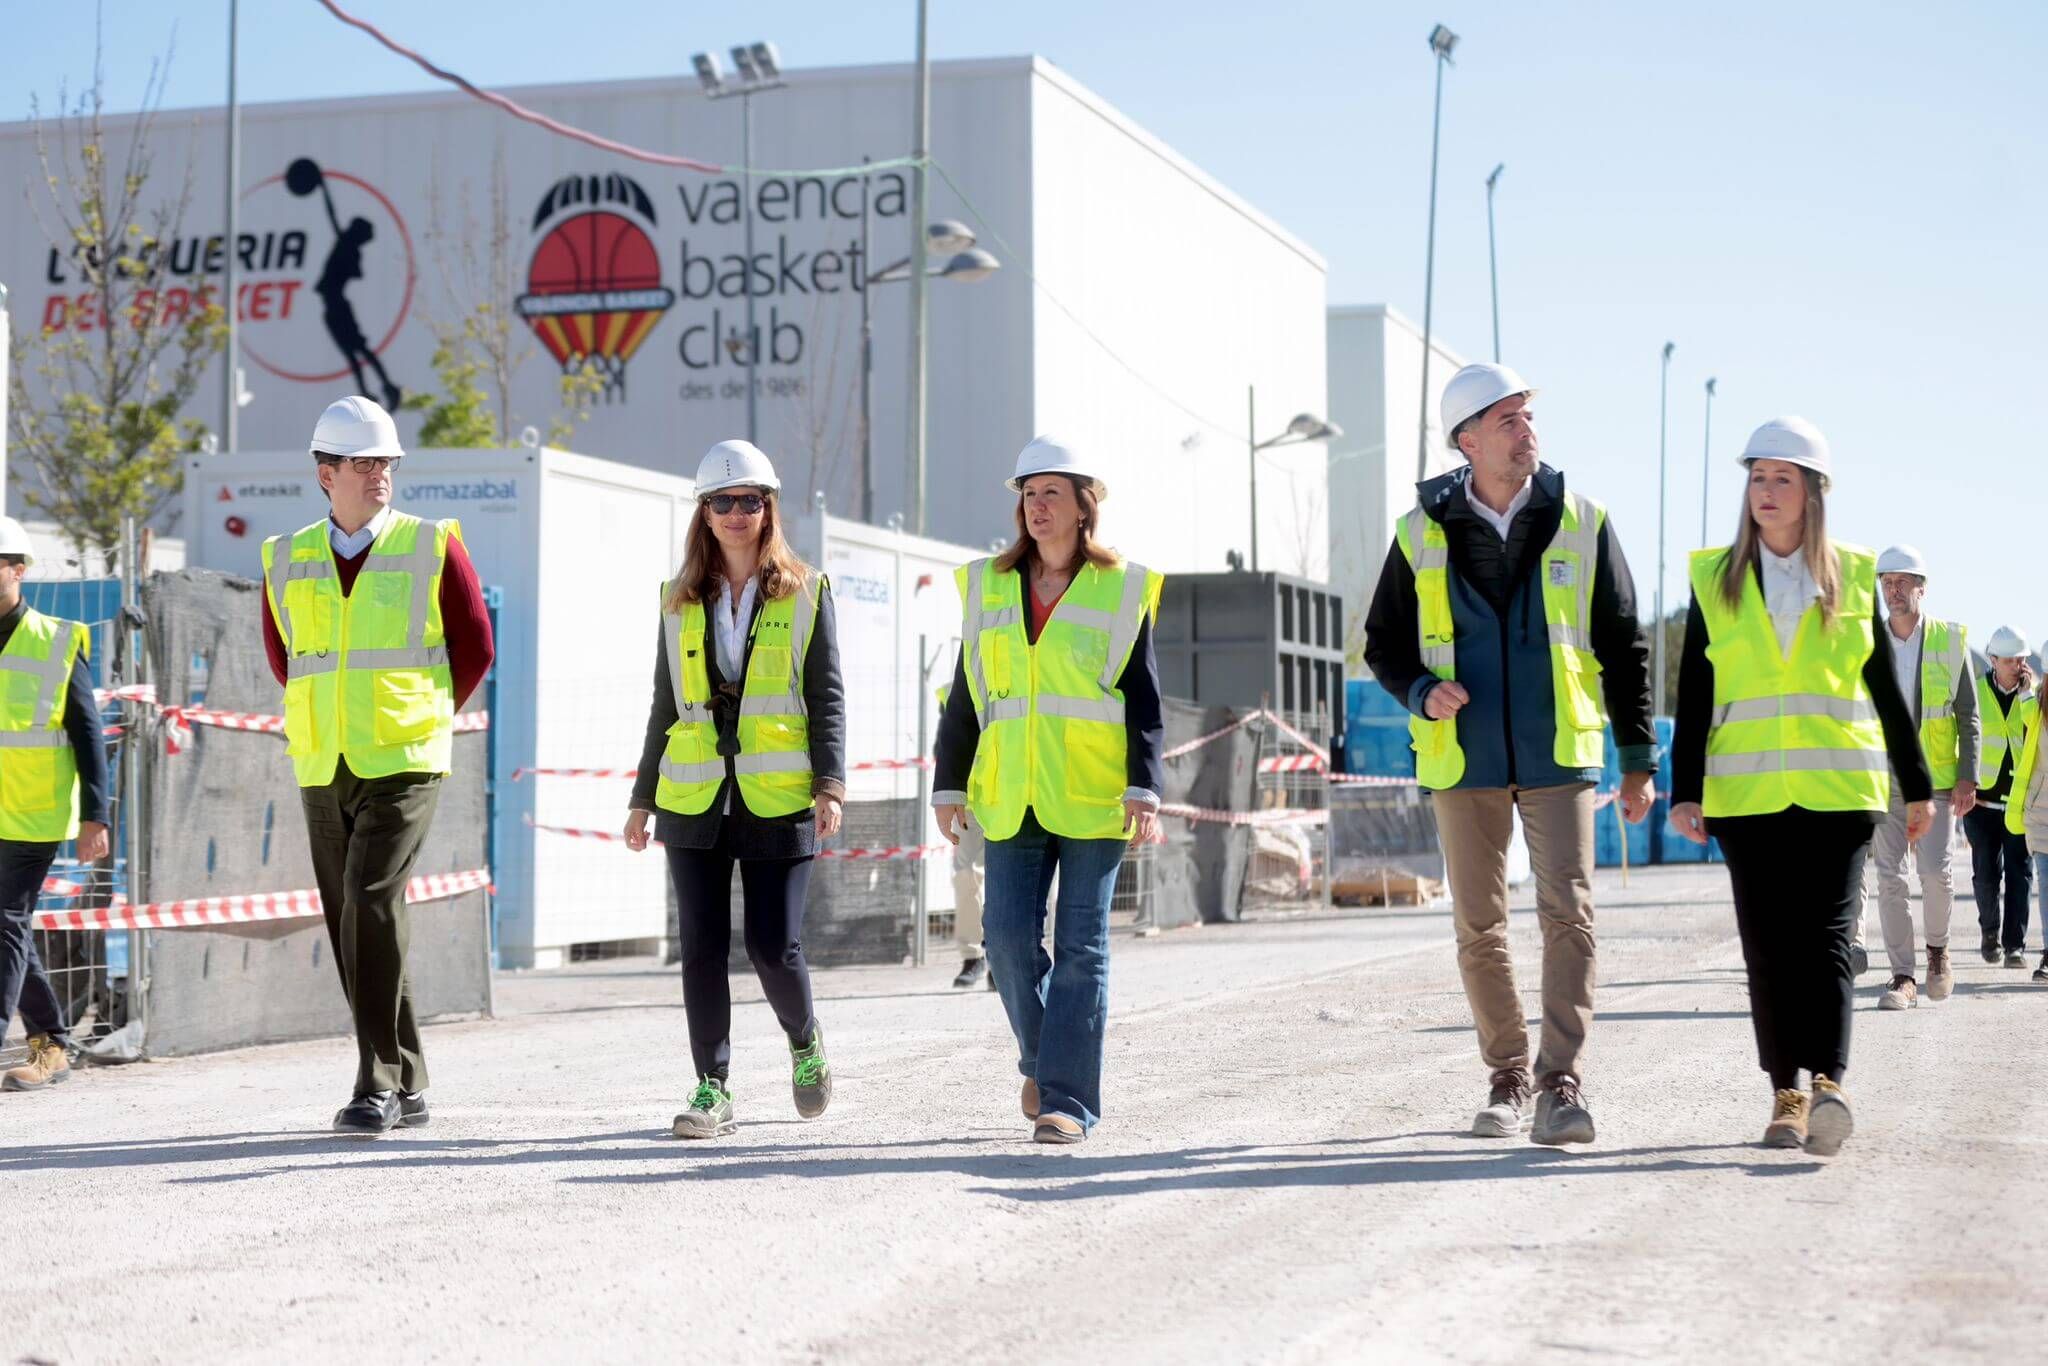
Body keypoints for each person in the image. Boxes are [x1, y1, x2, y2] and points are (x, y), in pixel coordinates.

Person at [1363, 363, 1656, 1146]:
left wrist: (1638, 760)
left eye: (1528, 417)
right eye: (1509, 421)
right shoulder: (1419, 531)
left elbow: (1624, 645)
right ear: (1468, 441)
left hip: (1560, 748)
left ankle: (1562, 1083)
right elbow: (1382, 643)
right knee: (1479, 926)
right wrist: (1421, 690)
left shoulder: (1583, 520)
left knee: (1570, 914)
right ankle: (1507, 1077)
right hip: (1463, 755)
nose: (1528, 432)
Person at [1670, 418, 1931, 1155]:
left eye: (1783, 478)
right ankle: (1785, 1092)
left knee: (1828, 943)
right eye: (1758, 477)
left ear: (1814, 492)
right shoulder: (1715, 578)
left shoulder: (1850, 574)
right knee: (1768, 949)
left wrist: (1916, 785)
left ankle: (1829, 1084)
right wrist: (1685, 788)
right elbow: (1694, 690)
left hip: (1839, 791)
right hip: (1747, 795)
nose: (1767, 490)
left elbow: (1883, 687)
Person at [260, 396, 495, 1134]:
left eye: (387, 462)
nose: (379, 474)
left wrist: (420, 714)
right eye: (363, 463)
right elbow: (286, 658)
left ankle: (377, 1082)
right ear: (325, 473)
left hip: (405, 759)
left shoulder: (431, 543)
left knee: (369, 900)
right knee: (353, 919)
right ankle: (412, 1079)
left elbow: (475, 645)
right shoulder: (285, 555)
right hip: (322, 759)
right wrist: (330, 715)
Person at [932, 436, 1164, 1144]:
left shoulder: (1121, 587)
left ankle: (1067, 1102)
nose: (1037, 506)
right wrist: (948, 783)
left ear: (1083, 505)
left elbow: (1144, 696)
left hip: (1093, 794)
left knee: (1082, 947)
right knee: (1004, 940)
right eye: (1028, 494)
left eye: (1051, 493)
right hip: (1010, 791)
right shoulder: (989, 584)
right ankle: (1041, 1061)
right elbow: (968, 693)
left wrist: (1144, 786)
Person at [624, 440, 844, 1140]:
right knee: (700, 948)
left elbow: (826, 694)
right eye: (723, 501)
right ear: (705, 512)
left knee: (773, 946)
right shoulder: (677, 598)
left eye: (750, 499)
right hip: (693, 795)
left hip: (778, 792)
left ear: (768, 508)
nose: (737, 512)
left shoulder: (807, 590)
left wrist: (830, 783)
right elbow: (664, 703)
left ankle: (804, 1041)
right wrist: (642, 797)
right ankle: (712, 1086)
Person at [0, 516, 111, 1092]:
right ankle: (53, 1044)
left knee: (5, 921)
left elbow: (88, 734)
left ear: (18, 570)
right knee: (9, 928)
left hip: (33, 813)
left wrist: (96, 816)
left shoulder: (58, 640)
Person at [1856, 544, 1976, 1008]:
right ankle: (1902, 976)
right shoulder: (1867, 642)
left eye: (1902, 582)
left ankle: (1938, 952)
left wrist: (1967, 776)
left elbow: (1967, 714)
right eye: (1886, 582)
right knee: (1890, 877)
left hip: (1936, 781)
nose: (1893, 590)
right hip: (1883, 778)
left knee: (1935, 873)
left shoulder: (1949, 640)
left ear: (1921, 589)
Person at [1962, 626, 2036, 971]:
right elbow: (1961, 738)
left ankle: (2014, 947)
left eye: (2021, 659)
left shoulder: (2033, 695)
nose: (2017, 666)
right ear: (1993, 660)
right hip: (1981, 805)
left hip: (2020, 804)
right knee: (1986, 876)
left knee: (2020, 875)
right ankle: (1989, 932)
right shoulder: (1975, 691)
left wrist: (2027, 695)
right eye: (2009, 660)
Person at [2004, 648, 2048, 983]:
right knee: (2046, 881)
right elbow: (2027, 706)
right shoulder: (2037, 706)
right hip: (2041, 811)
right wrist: (2025, 687)